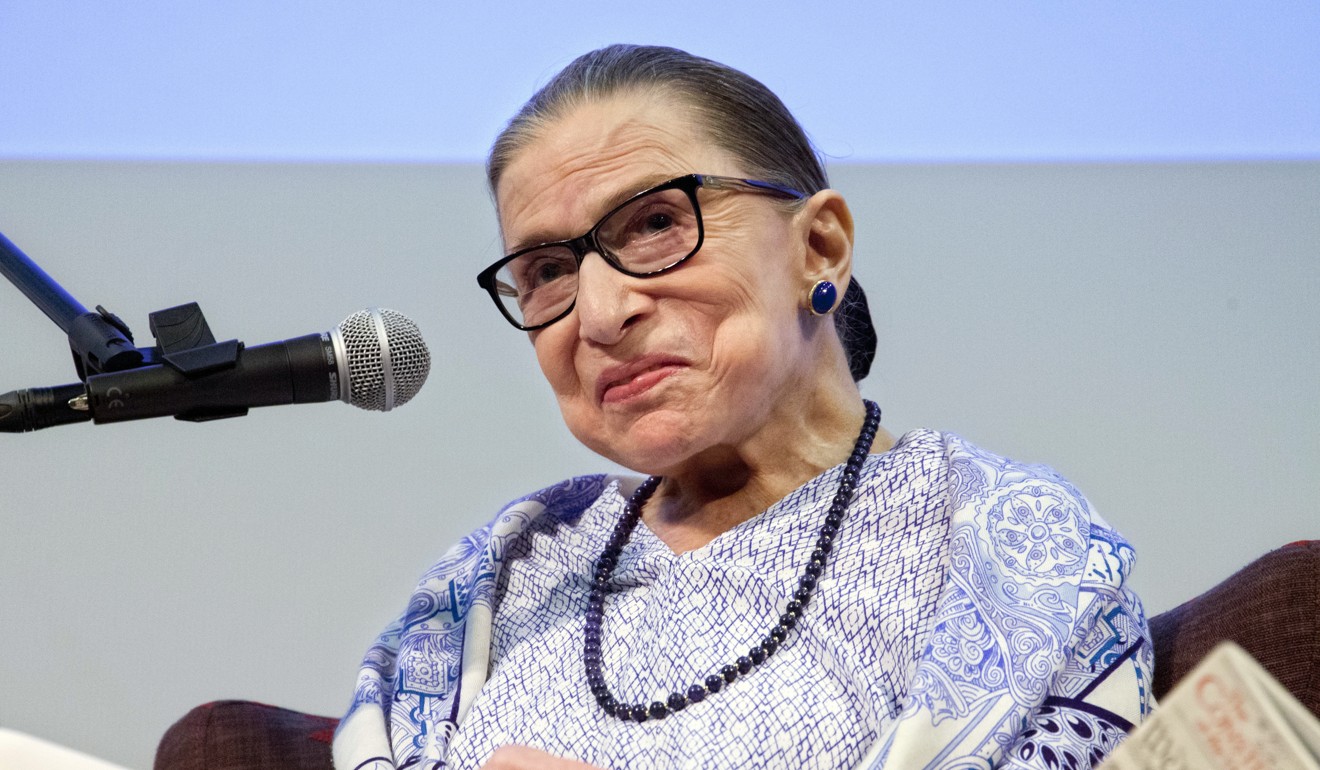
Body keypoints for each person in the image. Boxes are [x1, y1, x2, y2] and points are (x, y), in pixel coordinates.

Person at [334, 44, 1152, 770]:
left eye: (655, 222)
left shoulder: (1012, 552)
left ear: (818, 246)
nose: (597, 313)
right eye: (546, 271)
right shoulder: (501, 578)